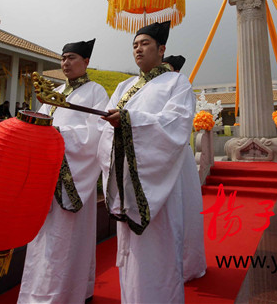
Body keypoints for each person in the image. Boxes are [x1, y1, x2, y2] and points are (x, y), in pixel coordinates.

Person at [98, 21, 206, 303]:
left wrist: (131, 122)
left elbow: (177, 124)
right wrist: (113, 125)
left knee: (160, 248)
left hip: (161, 181)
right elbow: (104, 131)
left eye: (144, 43)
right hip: (128, 181)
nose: (138, 49)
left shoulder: (177, 83)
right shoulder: (124, 86)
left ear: (161, 49)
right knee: (132, 254)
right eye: (135, 45)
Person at [19, 39, 109, 304]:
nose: (65, 63)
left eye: (71, 58)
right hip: (48, 178)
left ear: (86, 62)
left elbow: (97, 135)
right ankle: (36, 294)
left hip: (73, 177)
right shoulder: (53, 93)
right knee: (42, 243)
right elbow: (39, 125)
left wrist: (60, 135)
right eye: (63, 58)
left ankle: (69, 294)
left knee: (67, 241)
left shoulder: (96, 92)